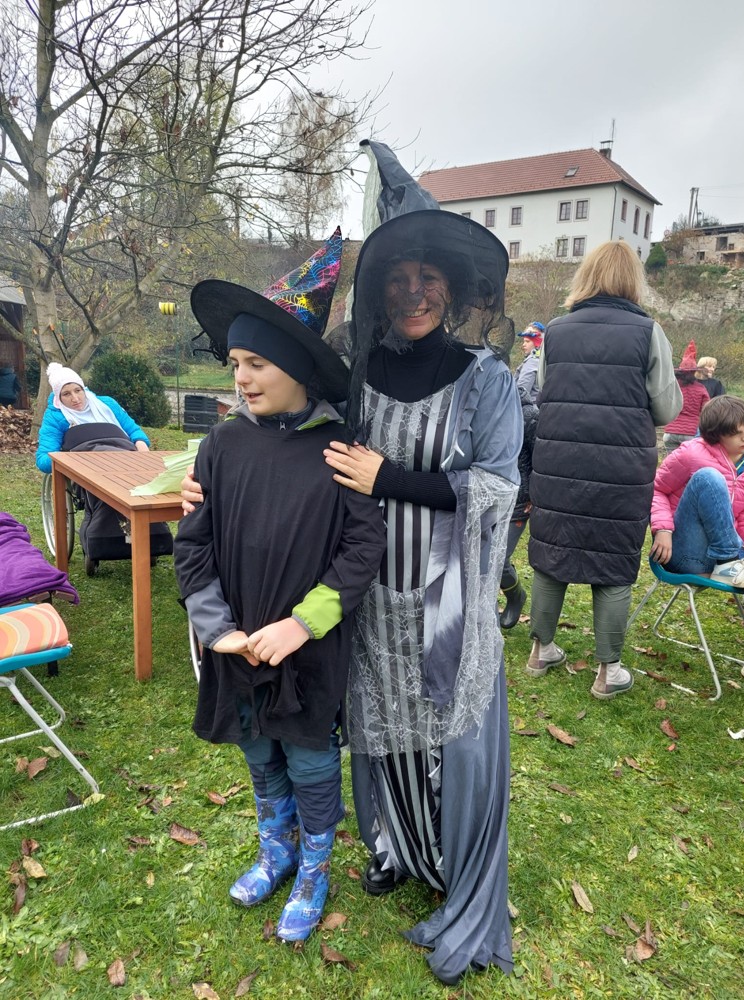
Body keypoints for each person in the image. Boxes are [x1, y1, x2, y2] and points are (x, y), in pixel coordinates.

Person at [324, 208, 522, 985]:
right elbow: (308, 449)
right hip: (371, 591)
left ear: (456, 289)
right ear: (379, 291)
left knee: (450, 732)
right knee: (384, 722)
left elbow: (499, 486)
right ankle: (398, 847)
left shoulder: (486, 380)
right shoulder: (358, 375)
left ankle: (456, 866)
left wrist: (390, 478)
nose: (414, 292)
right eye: (399, 279)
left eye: (428, 277)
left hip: (451, 598)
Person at [173, 232, 386, 944]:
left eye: (257, 363)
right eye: (235, 363)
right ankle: (277, 850)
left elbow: (363, 547)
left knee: (310, 757)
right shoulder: (221, 446)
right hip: (237, 642)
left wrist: (302, 624)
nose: (241, 377)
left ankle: (315, 869)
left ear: (297, 367)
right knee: (258, 750)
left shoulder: (339, 449)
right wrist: (217, 627)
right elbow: (193, 544)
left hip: (308, 648)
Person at [526, 239, 682, 700]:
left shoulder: (555, 331)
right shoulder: (648, 332)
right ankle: (608, 671)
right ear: (633, 280)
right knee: (613, 563)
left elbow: (544, 388)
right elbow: (667, 408)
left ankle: (540, 651)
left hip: (558, 462)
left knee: (552, 553)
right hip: (621, 467)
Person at [650, 394, 744, 588]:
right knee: (708, 477)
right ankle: (727, 561)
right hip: (684, 552)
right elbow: (656, 489)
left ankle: (728, 563)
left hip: (719, 560)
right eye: (736, 433)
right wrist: (663, 529)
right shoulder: (692, 453)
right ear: (716, 434)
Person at [35, 363, 150, 473]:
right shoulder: (55, 417)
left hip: (126, 457)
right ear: (59, 397)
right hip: (88, 469)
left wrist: (141, 445)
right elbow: (43, 459)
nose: (75, 399)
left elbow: (133, 431)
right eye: (66, 394)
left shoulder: (108, 404)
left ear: (83, 389)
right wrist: (75, 459)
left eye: (77, 391)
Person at [498, 383, 538, 628]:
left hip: (518, 501)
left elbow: (542, 458)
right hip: (486, 496)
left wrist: (534, 494)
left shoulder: (529, 415)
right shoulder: (480, 407)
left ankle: (516, 597)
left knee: (498, 559)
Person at [662, 341, 710, 455]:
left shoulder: (672, 386)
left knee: (671, 462)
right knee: (688, 462)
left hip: (670, 432)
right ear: (694, 372)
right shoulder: (701, 389)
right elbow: (707, 411)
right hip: (690, 433)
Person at [514, 321, 545, 402]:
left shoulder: (533, 361)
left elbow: (521, 392)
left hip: (530, 407)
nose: (523, 344)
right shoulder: (546, 360)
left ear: (537, 343)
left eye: (527, 341)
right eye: (524, 341)